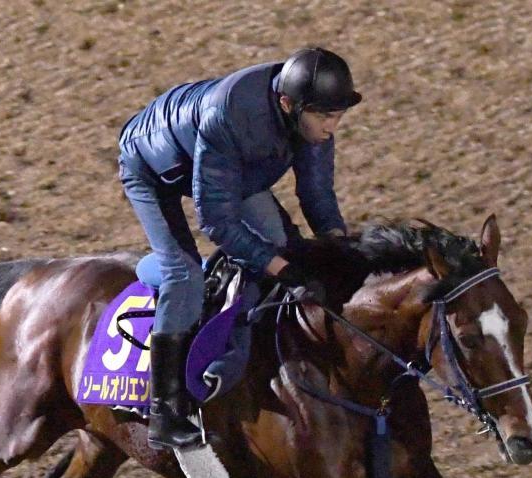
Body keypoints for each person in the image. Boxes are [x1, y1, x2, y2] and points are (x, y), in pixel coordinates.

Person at [118, 46, 362, 449]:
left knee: (284, 244)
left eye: (338, 116)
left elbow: (317, 193)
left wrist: (339, 246)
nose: (331, 127)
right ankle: (164, 410)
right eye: (324, 117)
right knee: (184, 276)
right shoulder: (230, 117)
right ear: (287, 104)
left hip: (226, 165)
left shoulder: (309, 113)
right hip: (150, 167)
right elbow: (215, 219)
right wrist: (281, 268)